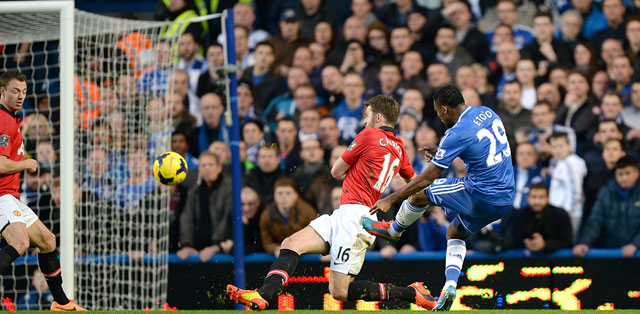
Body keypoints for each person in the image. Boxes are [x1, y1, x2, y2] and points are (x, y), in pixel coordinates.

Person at [227, 95, 436, 311]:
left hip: (356, 219)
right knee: (290, 244)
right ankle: (263, 294)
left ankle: (411, 293)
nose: (365, 121)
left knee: (340, 292)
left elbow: (336, 172)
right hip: (345, 214)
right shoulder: (400, 147)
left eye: (367, 116)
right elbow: (416, 184)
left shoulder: (369, 134)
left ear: (379, 117)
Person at [361, 85, 515, 311]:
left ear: (445, 109)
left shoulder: (456, 134)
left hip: (481, 194)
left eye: (438, 112)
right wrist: (445, 151)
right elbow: (480, 147)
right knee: (454, 231)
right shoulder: (487, 112)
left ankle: (393, 230)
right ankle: (450, 287)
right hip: (505, 198)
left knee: (419, 195)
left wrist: (390, 199)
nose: (439, 118)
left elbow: (426, 178)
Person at [0, 71, 84, 310]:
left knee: (47, 240)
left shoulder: (12, 118)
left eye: (24, 92)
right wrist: (27, 163)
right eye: (15, 91)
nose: (20, 96)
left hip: (11, 197)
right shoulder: (4, 121)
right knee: (20, 241)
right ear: (2, 91)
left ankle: (61, 303)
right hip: (2, 196)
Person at [573, 156, 640, 258]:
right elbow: (595, 220)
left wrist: (635, 245)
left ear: (636, 173)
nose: (624, 178)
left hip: (636, 255)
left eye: (627, 173)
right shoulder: (606, 193)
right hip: (611, 254)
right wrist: (585, 242)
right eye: (620, 174)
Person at [177, 151, 232, 262]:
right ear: (199, 169)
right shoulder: (194, 191)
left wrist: (217, 246)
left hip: (223, 252)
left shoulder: (230, 188)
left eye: (210, 165)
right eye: (203, 165)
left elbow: (228, 218)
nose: (207, 168)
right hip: (198, 250)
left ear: (219, 168)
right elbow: (186, 218)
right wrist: (187, 245)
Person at [509, 183, 573, 253]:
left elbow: (568, 242)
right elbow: (512, 240)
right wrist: (524, 243)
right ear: (528, 198)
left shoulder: (560, 214)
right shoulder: (520, 215)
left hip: (556, 262)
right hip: (525, 262)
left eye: (541, 197)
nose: (537, 202)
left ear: (547, 198)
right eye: (534, 197)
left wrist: (545, 244)